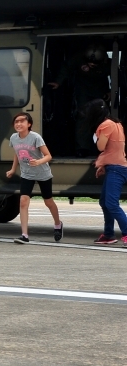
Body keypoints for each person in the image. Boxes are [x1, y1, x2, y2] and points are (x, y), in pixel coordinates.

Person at [5, 112, 62, 244]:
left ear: (29, 124)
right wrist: (13, 169)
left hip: (43, 173)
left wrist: (38, 162)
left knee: (48, 202)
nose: (18, 124)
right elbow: (17, 154)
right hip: (26, 174)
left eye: (22, 121)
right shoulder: (14, 138)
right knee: (23, 201)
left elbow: (48, 156)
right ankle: (24, 235)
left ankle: (58, 224)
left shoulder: (35, 137)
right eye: (16, 122)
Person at [48, 44, 110, 156]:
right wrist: (58, 82)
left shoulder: (107, 64)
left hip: (100, 91)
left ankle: (104, 147)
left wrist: (111, 91)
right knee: (83, 116)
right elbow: (66, 67)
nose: (91, 64)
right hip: (83, 91)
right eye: (89, 62)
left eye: (95, 63)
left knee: (103, 118)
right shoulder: (78, 58)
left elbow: (116, 76)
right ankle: (82, 148)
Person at [84, 99, 127, 246]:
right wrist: (103, 165)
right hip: (115, 166)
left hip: (116, 168)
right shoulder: (116, 123)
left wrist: (96, 137)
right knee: (105, 202)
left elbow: (101, 147)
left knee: (111, 203)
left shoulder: (105, 125)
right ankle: (108, 234)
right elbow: (113, 149)